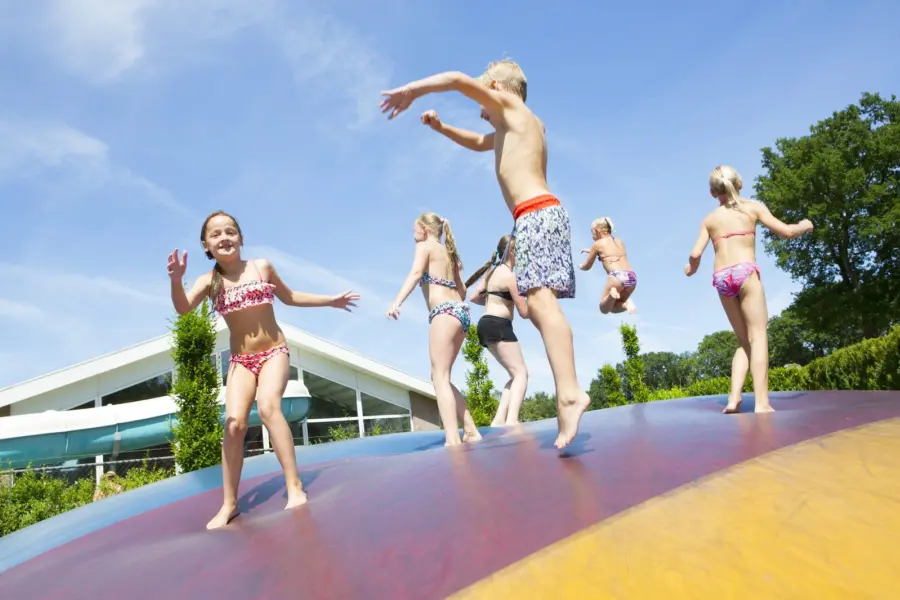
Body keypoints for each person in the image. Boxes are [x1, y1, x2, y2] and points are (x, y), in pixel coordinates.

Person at [380, 59, 591, 449]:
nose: (481, 110)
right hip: (538, 215)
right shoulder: (521, 125)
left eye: (484, 98)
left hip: (536, 215)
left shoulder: (512, 109)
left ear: (496, 87)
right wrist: (442, 128)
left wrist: (413, 90)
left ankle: (571, 392)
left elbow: (459, 81)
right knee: (544, 306)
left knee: (543, 304)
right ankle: (569, 394)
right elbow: (478, 143)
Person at [167, 210, 360, 529]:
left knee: (269, 407)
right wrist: (176, 281)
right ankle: (229, 504)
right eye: (215, 235)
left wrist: (331, 300)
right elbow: (183, 308)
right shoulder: (209, 282)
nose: (224, 237)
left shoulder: (261, 267)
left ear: (241, 238)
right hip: (241, 361)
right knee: (233, 426)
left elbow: (291, 297)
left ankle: (294, 487)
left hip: (273, 352)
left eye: (230, 231)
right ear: (206, 246)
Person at [684, 165, 813, 414]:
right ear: (739, 183)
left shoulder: (710, 219)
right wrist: (805, 225)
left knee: (744, 341)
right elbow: (786, 231)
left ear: (713, 193)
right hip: (745, 272)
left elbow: (695, 253)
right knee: (758, 336)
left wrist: (691, 268)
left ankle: (734, 399)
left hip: (722, 278)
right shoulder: (753, 207)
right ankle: (762, 403)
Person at [387, 212, 482, 446]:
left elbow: (416, 273)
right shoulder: (451, 253)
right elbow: (462, 293)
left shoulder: (426, 246)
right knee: (441, 376)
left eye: (414, 230)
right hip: (462, 313)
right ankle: (470, 429)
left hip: (443, 313)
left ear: (425, 230)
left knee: (439, 376)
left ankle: (452, 439)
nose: (413, 235)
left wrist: (397, 301)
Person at [466, 234, 530, 426]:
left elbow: (474, 297)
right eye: (519, 251)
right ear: (511, 251)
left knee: (514, 374)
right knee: (521, 374)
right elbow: (524, 312)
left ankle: (499, 420)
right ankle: (512, 420)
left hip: (485, 324)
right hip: (499, 325)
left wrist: (493, 300)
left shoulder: (491, 273)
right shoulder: (510, 277)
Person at [578, 217, 637, 314]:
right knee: (613, 307)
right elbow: (611, 252)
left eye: (592, 232)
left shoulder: (597, 244)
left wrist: (581, 266)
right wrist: (592, 251)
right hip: (631, 277)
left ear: (597, 230)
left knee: (604, 308)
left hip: (617, 276)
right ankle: (626, 304)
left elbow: (587, 266)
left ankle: (612, 295)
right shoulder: (619, 241)